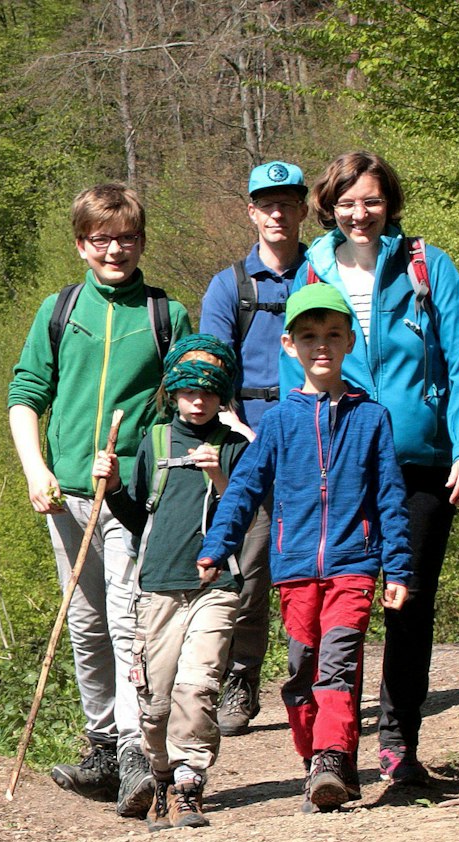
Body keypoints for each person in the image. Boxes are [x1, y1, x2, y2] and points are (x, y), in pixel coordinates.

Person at [285, 152, 459, 786]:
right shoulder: (313, 269)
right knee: (334, 609)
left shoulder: (427, 265)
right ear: (329, 205)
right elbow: (296, 368)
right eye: (347, 202)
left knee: (410, 603)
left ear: (390, 203)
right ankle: (334, 754)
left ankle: (399, 746)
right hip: (341, 464)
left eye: (371, 201)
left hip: (423, 462)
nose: (360, 213)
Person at [8, 183, 192, 818]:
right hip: (65, 499)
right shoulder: (58, 311)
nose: (116, 249)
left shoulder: (166, 314)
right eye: (102, 239)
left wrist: (142, 466)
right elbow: (27, 394)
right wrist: (37, 470)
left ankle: (140, 750)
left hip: (132, 499)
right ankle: (103, 746)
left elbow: (188, 406)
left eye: (128, 238)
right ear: (81, 245)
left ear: (142, 240)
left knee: (123, 621)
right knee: (85, 626)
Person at [199, 284, 412, 813]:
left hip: (353, 566)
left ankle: (333, 759)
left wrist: (398, 569)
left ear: (350, 343)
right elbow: (244, 488)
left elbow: (390, 498)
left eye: (333, 335)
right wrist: (216, 546)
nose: (322, 346)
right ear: (290, 345)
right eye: (310, 336)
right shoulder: (276, 423)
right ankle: (315, 759)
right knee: (301, 672)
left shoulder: (372, 418)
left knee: (337, 664)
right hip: (294, 569)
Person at [96, 334, 249, 831]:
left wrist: (221, 479)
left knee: (198, 685)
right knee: (155, 698)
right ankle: (160, 776)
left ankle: (188, 783)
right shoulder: (155, 441)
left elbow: (247, 514)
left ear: (222, 393)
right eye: (188, 392)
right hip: (157, 585)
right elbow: (140, 519)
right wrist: (115, 485)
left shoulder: (238, 447)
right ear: (174, 393)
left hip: (216, 584)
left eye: (208, 392)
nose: (199, 401)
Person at [196, 161, 311, 737]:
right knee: (250, 570)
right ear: (252, 211)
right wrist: (231, 425)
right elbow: (210, 367)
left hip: (320, 443)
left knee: (319, 568)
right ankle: (240, 678)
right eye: (267, 203)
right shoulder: (229, 286)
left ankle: (312, 680)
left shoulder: (324, 274)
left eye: (288, 203)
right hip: (252, 447)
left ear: (302, 210)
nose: (277, 213)